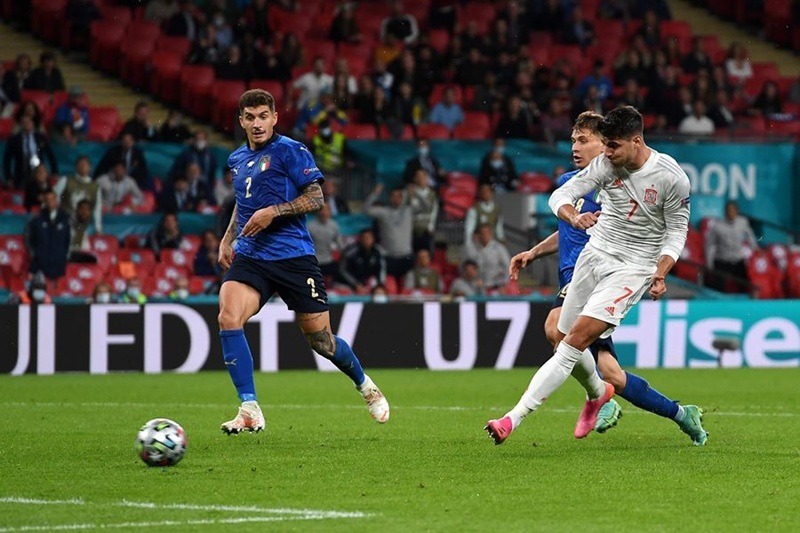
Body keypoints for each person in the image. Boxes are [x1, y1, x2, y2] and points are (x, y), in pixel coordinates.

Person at [485, 107, 708, 447]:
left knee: (569, 341)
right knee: (581, 351)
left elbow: (677, 232)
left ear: (636, 141)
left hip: (632, 269)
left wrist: (661, 272)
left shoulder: (671, 177)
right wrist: (570, 220)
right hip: (594, 259)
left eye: (610, 145)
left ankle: (512, 419)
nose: (606, 152)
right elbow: (560, 198)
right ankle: (664, 410)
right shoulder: (603, 167)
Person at [216, 89, 389, 434]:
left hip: (294, 257)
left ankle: (366, 385)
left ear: (274, 118)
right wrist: (227, 237)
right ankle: (249, 407)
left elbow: (316, 197)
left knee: (321, 341)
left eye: (263, 116)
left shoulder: (291, 150)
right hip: (251, 255)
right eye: (250, 118)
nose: (257, 123)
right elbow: (243, 201)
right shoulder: (237, 158)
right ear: (241, 122)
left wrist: (274, 212)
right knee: (228, 316)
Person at [364, 183, 415, 282]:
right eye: (393, 196)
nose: (396, 199)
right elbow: (366, 210)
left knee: (408, 286)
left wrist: (415, 194)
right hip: (389, 257)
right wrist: (375, 194)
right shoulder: (383, 212)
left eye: (399, 196)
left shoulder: (409, 210)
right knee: (389, 285)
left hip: (407, 256)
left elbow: (426, 206)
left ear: (402, 198)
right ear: (389, 198)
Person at [705, 200, 757, 293]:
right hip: (722, 260)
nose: (731, 213)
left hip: (738, 260)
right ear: (725, 212)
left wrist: (754, 247)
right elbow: (709, 245)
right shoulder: (717, 226)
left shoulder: (743, 222)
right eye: (729, 210)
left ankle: (745, 300)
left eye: (733, 210)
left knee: (745, 285)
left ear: (737, 211)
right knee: (718, 287)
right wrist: (709, 263)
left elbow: (750, 236)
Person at [25, 190, 71, 282]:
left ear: (56, 200)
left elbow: (69, 240)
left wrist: (64, 255)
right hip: (39, 264)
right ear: (44, 201)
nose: (50, 202)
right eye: (48, 199)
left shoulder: (66, 218)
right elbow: (28, 239)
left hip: (59, 264)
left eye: (52, 199)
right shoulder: (36, 219)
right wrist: (35, 254)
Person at [3, 114, 59, 189]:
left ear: (33, 123)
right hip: (21, 175)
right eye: (25, 122)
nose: (27, 124)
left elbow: (50, 155)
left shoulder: (40, 137)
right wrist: (8, 177)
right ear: (21, 124)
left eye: (29, 122)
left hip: (38, 174)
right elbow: (7, 160)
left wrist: (55, 172)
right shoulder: (14, 140)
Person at [53, 155, 102, 232]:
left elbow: (97, 209)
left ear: (90, 167)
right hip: (65, 223)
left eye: (85, 164)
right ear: (76, 167)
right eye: (80, 164)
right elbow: (53, 196)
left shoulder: (95, 187)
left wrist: (98, 228)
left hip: (84, 226)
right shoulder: (66, 180)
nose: (83, 166)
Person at [464, 224, 511, 291]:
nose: (484, 236)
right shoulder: (472, 249)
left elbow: (507, 266)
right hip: (476, 286)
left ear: (490, 234)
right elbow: (465, 266)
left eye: (486, 233)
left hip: (495, 286)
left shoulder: (499, 249)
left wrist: (503, 283)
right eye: (482, 233)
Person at [339, 228, 387, 293]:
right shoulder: (350, 252)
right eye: (364, 238)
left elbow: (382, 268)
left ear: (373, 239)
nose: (366, 240)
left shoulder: (378, 252)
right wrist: (355, 284)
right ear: (360, 239)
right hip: (349, 283)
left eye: (368, 238)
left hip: (368, 282)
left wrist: (380, 285)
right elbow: (343, 270)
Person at [308, 203, 344, 281]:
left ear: (329, 212)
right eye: (321, 210)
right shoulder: (310, 227)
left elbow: (340, 244)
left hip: (329, 260)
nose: (323, 212)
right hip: (315, 262)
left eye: (326, 210)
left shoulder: (334, 225)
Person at [407, 169, 438, 253]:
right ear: (415, 179)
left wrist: (431, 226)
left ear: (426, 178)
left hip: (426, 229)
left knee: (426, 253)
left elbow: (434, 211)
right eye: (418, 177)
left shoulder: (432, 194)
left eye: (423, 177)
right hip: (412, 229)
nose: (420, 179)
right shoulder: (410, 193)